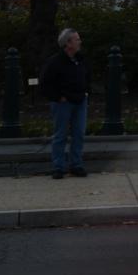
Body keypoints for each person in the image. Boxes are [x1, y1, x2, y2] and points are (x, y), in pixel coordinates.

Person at [39, 28, 89, 179]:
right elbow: (45, 82)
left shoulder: (80, 59)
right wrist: (57, 97)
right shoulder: (55, 61)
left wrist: (86, 91)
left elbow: (87, 75)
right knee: (60, 134)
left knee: (79, 133)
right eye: (76, 39)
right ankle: (58, 167)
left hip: (80, 100)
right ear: (68, 43)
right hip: (63, 102)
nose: (79, 42)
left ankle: (76, 165)